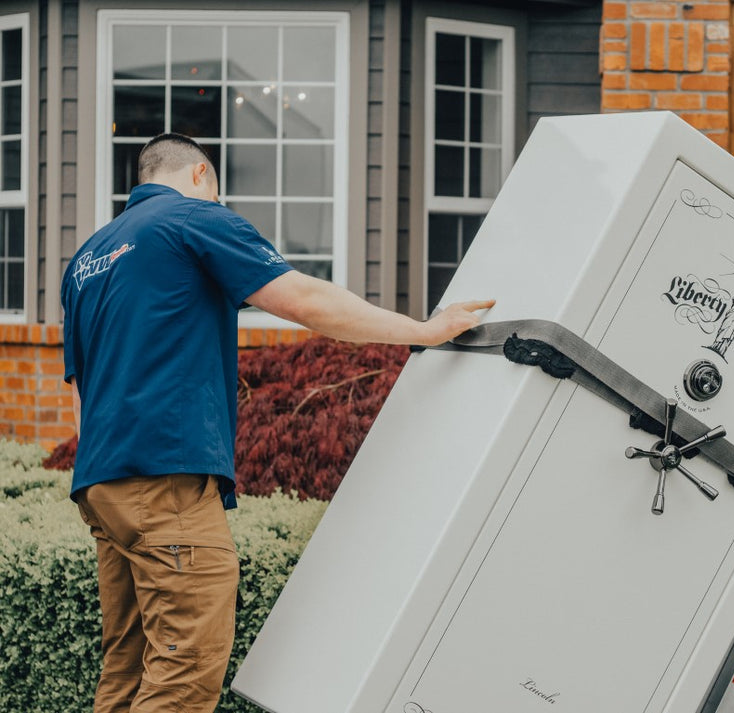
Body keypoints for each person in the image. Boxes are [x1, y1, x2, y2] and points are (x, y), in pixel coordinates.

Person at [61, 132, 494, 712]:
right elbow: (304, 300)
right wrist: (423, 330)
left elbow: (80, 391)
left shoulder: (87, 259)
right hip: (164, 479)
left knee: (129, 669)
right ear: (200, 175)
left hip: (102, 484)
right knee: (184, 670)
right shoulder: (194, 218)